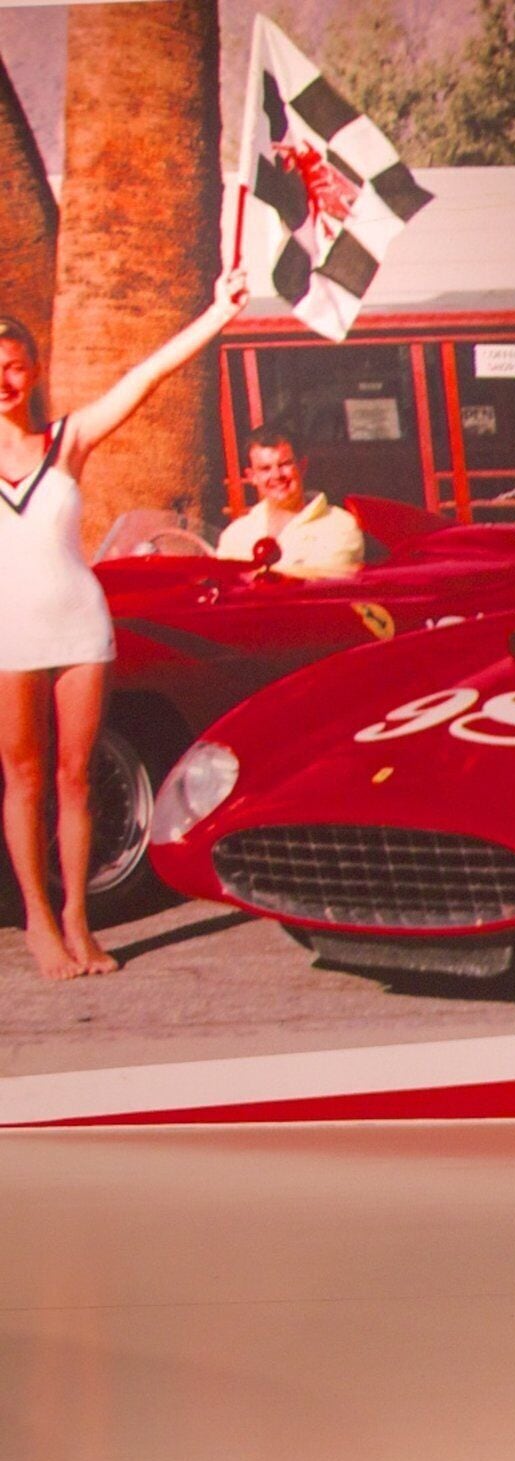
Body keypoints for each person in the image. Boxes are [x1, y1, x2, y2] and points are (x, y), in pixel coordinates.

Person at [0, 266, 247, 981]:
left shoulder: (67, 440)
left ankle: (78, 916)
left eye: (16, 368)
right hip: (8, 635)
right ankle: (37, 923)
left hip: (80, 624)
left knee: (76, 776)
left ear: (35, 370)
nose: (6, 382)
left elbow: (145, 379)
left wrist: (216, 314)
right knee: (23, 780)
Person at [213, 430, 364, 578]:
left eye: (284, 464)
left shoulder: (339, 525)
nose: (276, 475)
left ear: (302, 466)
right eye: (265, 468)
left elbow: (319, 585)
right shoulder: (236, 534)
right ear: (252, 476)